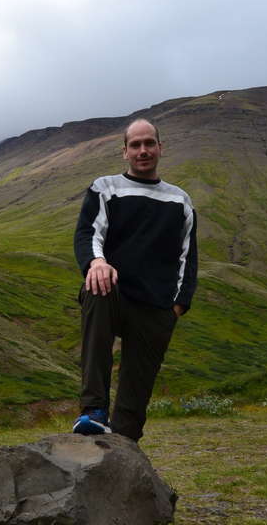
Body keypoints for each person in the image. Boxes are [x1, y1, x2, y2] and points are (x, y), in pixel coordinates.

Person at [72, 118, 198, 441]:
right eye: (135, 145)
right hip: (113, 297)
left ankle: (122, 454)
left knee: (131, 417)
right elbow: (89, 232)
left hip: (156, 309)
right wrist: (96, 262)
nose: (143, 150)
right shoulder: (106, 188)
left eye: (149, 143)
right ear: (124, 152)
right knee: (96, 285)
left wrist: (178, 307)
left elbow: (188, 258)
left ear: (160, 148)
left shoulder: (180, 201)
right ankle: (93, 410)